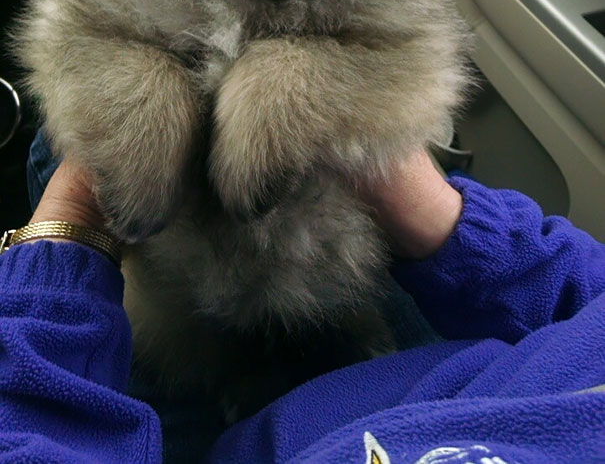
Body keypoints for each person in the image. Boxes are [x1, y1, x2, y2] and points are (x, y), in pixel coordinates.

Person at [0, 150, 604, 464]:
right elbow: (590, 290)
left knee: (75, 135)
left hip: (181, 427)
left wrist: (68, 226)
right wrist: (442, 220)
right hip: (447, 366)